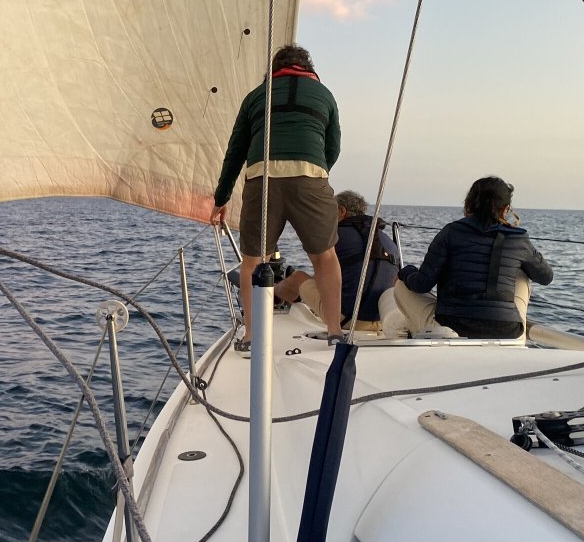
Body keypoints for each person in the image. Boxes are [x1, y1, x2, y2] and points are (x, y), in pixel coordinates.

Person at [210, 43, 343, 355]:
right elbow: (333, 147)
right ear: (308, 68)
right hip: (309, 177)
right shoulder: (325, 95)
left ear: (274, 70)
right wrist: (314, 173)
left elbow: (235, 152)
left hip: (262, 179)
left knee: (253, 262)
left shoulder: (256, 96)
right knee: (325, 257)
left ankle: (251, 335)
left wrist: (221, 197)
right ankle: (335, 332)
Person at [388, 176, 553, 339]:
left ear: (469, 203)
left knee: (402, 286)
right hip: (506, 330)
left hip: (454, 327)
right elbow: (546, 277)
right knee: (522, 272)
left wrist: (405, 272)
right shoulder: (519, 239)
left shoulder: (451, 232)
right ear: (506, 208)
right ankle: (517, 333)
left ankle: (418, 329)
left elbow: (421, 284)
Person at [276, 190, 400, 332]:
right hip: (383, 320)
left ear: (341, 211)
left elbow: (323, 277)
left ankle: (274, 296)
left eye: (329, 210)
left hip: (348, 321)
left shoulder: (335, 237)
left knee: (298, 277)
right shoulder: (386, 240)